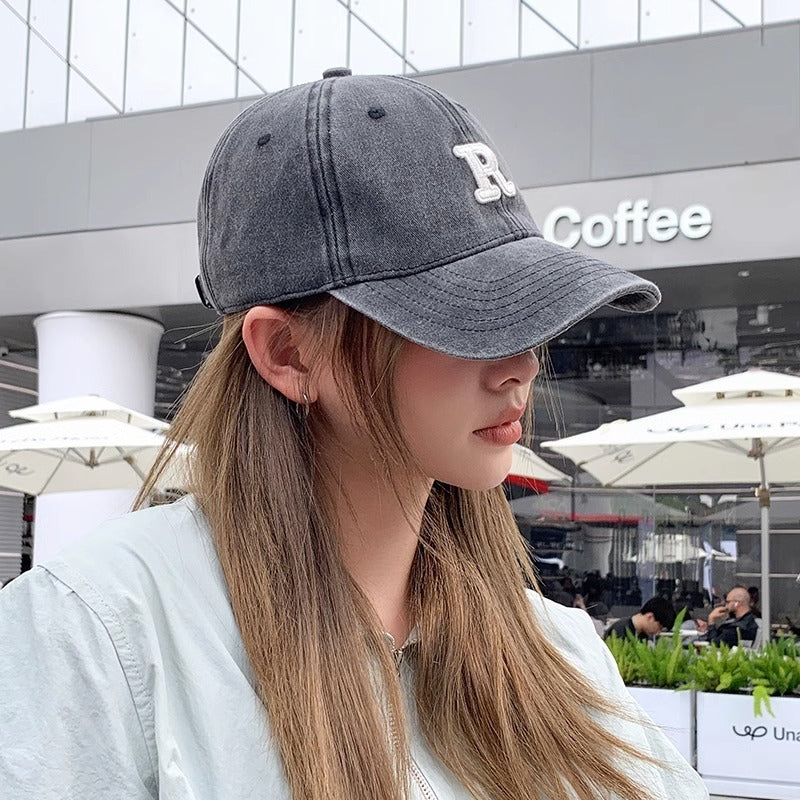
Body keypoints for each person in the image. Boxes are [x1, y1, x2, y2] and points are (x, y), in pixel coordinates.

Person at [0, 70, 707, 800]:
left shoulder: (556, 649)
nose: (524, 364)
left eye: (530, 317)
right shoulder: (97, 635)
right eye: (468, 319)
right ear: (287, 353)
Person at [604, 596, 677, 641]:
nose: (658, 633)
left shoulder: (642, 635)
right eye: (659, 627)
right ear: (650, 617)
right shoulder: (620, 631)